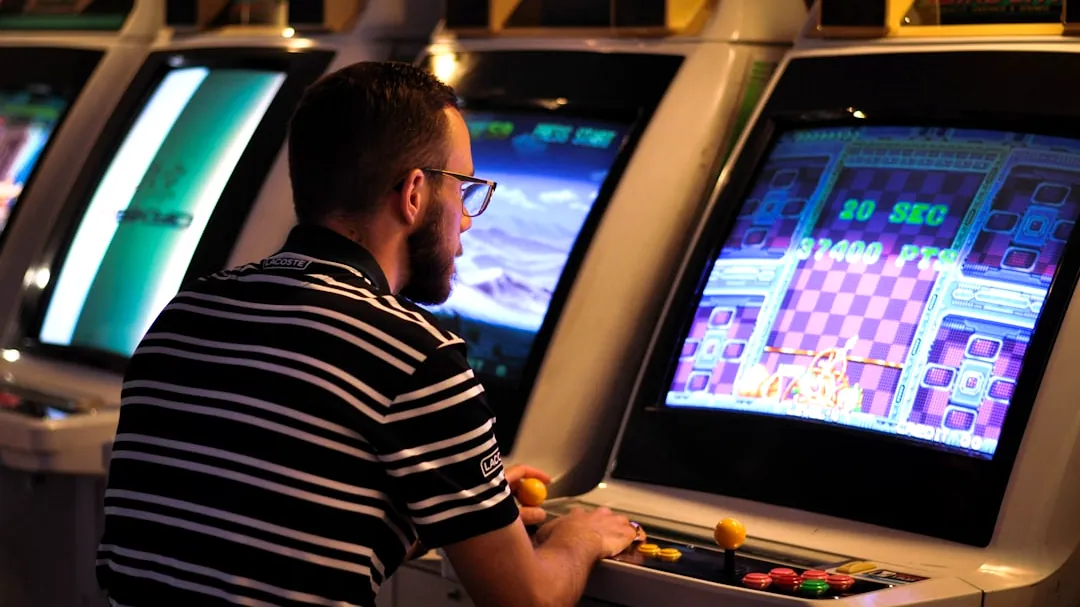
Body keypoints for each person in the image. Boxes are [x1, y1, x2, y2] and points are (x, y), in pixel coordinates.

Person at [95, 61, 641, 607]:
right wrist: (580, 538)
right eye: (466, 189)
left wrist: (463, 511)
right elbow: (527, 601)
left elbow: (259, 539)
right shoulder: (414, 355)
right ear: (414, 193)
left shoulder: (185, 311)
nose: (468, 219)